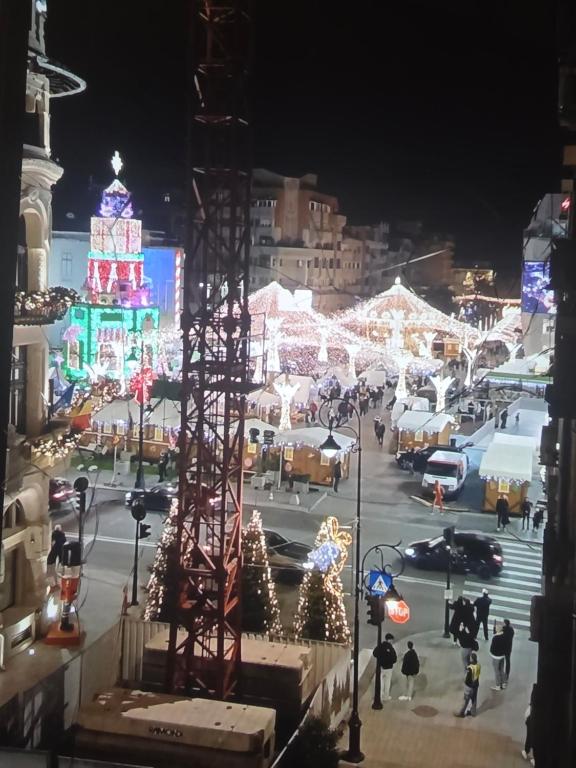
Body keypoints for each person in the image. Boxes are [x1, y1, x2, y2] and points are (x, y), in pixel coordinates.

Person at [373, 632, 397, 701]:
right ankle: (386, 697)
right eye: (392, 640)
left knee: (381, 682)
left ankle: (380, 696)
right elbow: (394, 659)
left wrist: (380, 658)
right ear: (389, 640)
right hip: (389, 668)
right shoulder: (391, 648)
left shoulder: (380, 645)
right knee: (387, 682)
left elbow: (374, 653)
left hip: (380, 667)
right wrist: (390, 661)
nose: (392, 642)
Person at [456, 652, 481, 717]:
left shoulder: (470, 668)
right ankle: (473, 712)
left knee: (466, 700)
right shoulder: (478, 665)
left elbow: (468, 678)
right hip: (476, 685)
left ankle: (461, 713)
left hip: (469, 686)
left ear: (472, 659)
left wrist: (465, 683)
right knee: (474, 699)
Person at [490, 623, 508, 691]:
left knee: (496, 671)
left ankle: (498, 685)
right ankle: (504, 683)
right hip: (502, 656)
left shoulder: (495, 638)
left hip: (496, 656)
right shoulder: (505, 636)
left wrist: (491, 653)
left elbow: (492, 648)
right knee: (501, 669)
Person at [522, 688, 536, 765]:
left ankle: (527, 751)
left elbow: (532, 701)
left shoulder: (538, 689)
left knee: (530, 734)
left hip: (534, 717)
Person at [502, 618, 515, 685]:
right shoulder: (511, 630)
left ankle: (501, 673)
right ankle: (507, 674)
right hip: (508, 647)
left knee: (501, 661)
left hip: (502, 647)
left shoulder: (503, 629)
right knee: (508, 661)